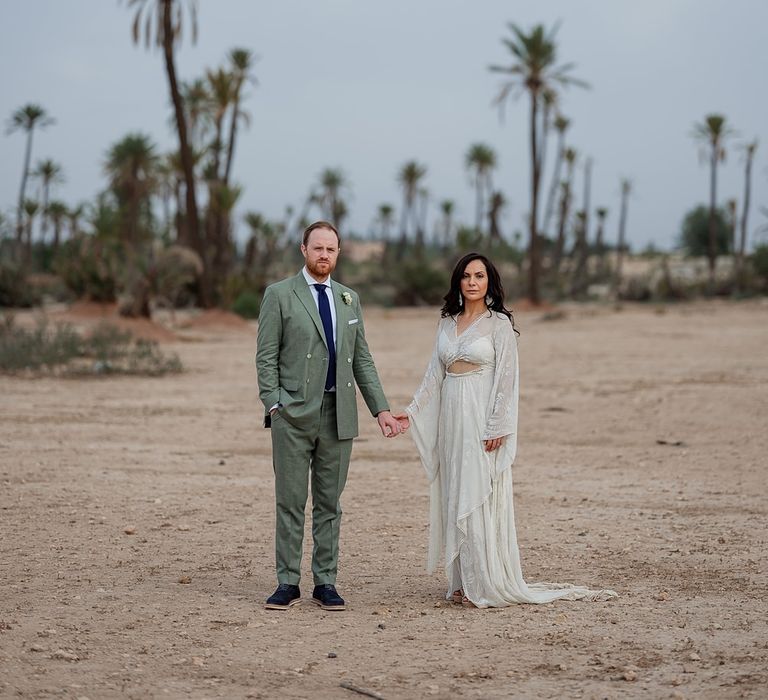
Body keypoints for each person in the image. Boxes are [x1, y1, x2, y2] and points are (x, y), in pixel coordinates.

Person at [395, 253, 617, 608]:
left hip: (481, 414)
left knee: (478, 490)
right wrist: (410, 413)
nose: (472, 282)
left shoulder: (498, 324)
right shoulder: (447, 323)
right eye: (466, 276)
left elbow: (507, 380)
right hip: (451, 415)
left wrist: (499, 424)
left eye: (479, 276)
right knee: (456, 489)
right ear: (458, 282)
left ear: (489, 282)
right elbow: (432, 376)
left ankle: (482, 581)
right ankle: (461, 580)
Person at [256, 221, 403, 612]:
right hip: (293, 414)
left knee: (329, 503)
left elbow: (363, 360)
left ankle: (326, 582)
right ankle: (287, 581)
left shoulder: (349, 299)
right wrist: (274, 403)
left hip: (339, 414)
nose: (324, 255)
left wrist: (381, 410)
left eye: (331, 249)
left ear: (338, 253)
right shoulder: (279, 295)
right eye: (318, 248)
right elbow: (266, 356)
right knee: (289, 501)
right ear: (303, 250)